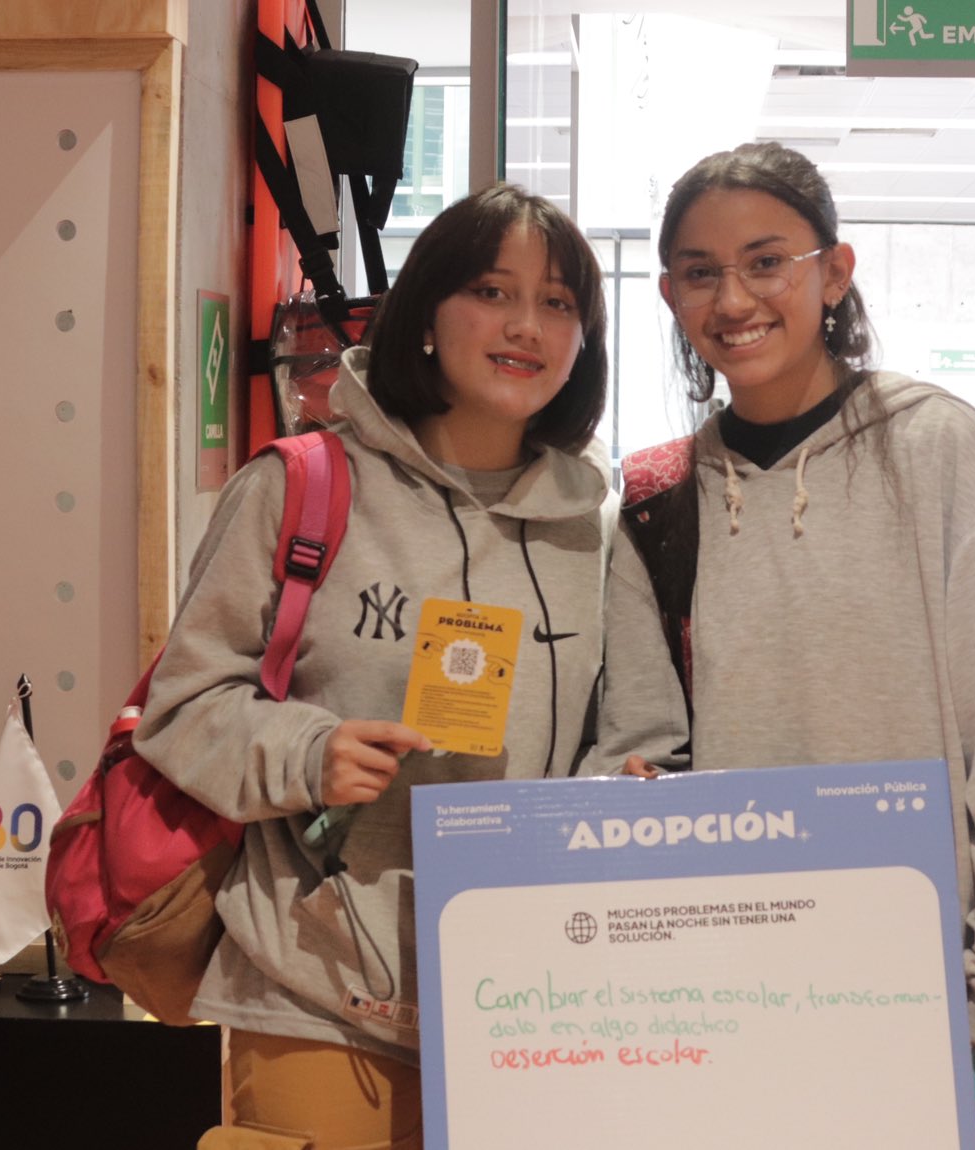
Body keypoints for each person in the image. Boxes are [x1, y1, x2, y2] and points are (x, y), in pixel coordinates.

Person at [132, 184, 683, 1150]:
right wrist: (310, 753)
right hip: (319, 992)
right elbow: (184, 707)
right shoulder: (298, 487)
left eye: (558, 303)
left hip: (535, 1005)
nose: (526, 325)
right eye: (491, 290)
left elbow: (640, 733)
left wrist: (616, 795)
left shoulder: (595, 526)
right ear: (427, 315)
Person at [621, 141, 975, 1148]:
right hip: (725, 987)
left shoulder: (934, 445)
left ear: (831, 271)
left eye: (766, 261)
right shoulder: (655, 493)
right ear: (670, 293)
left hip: (923, 982)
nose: (734, 298)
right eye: (701, 272)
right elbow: (642, 735)